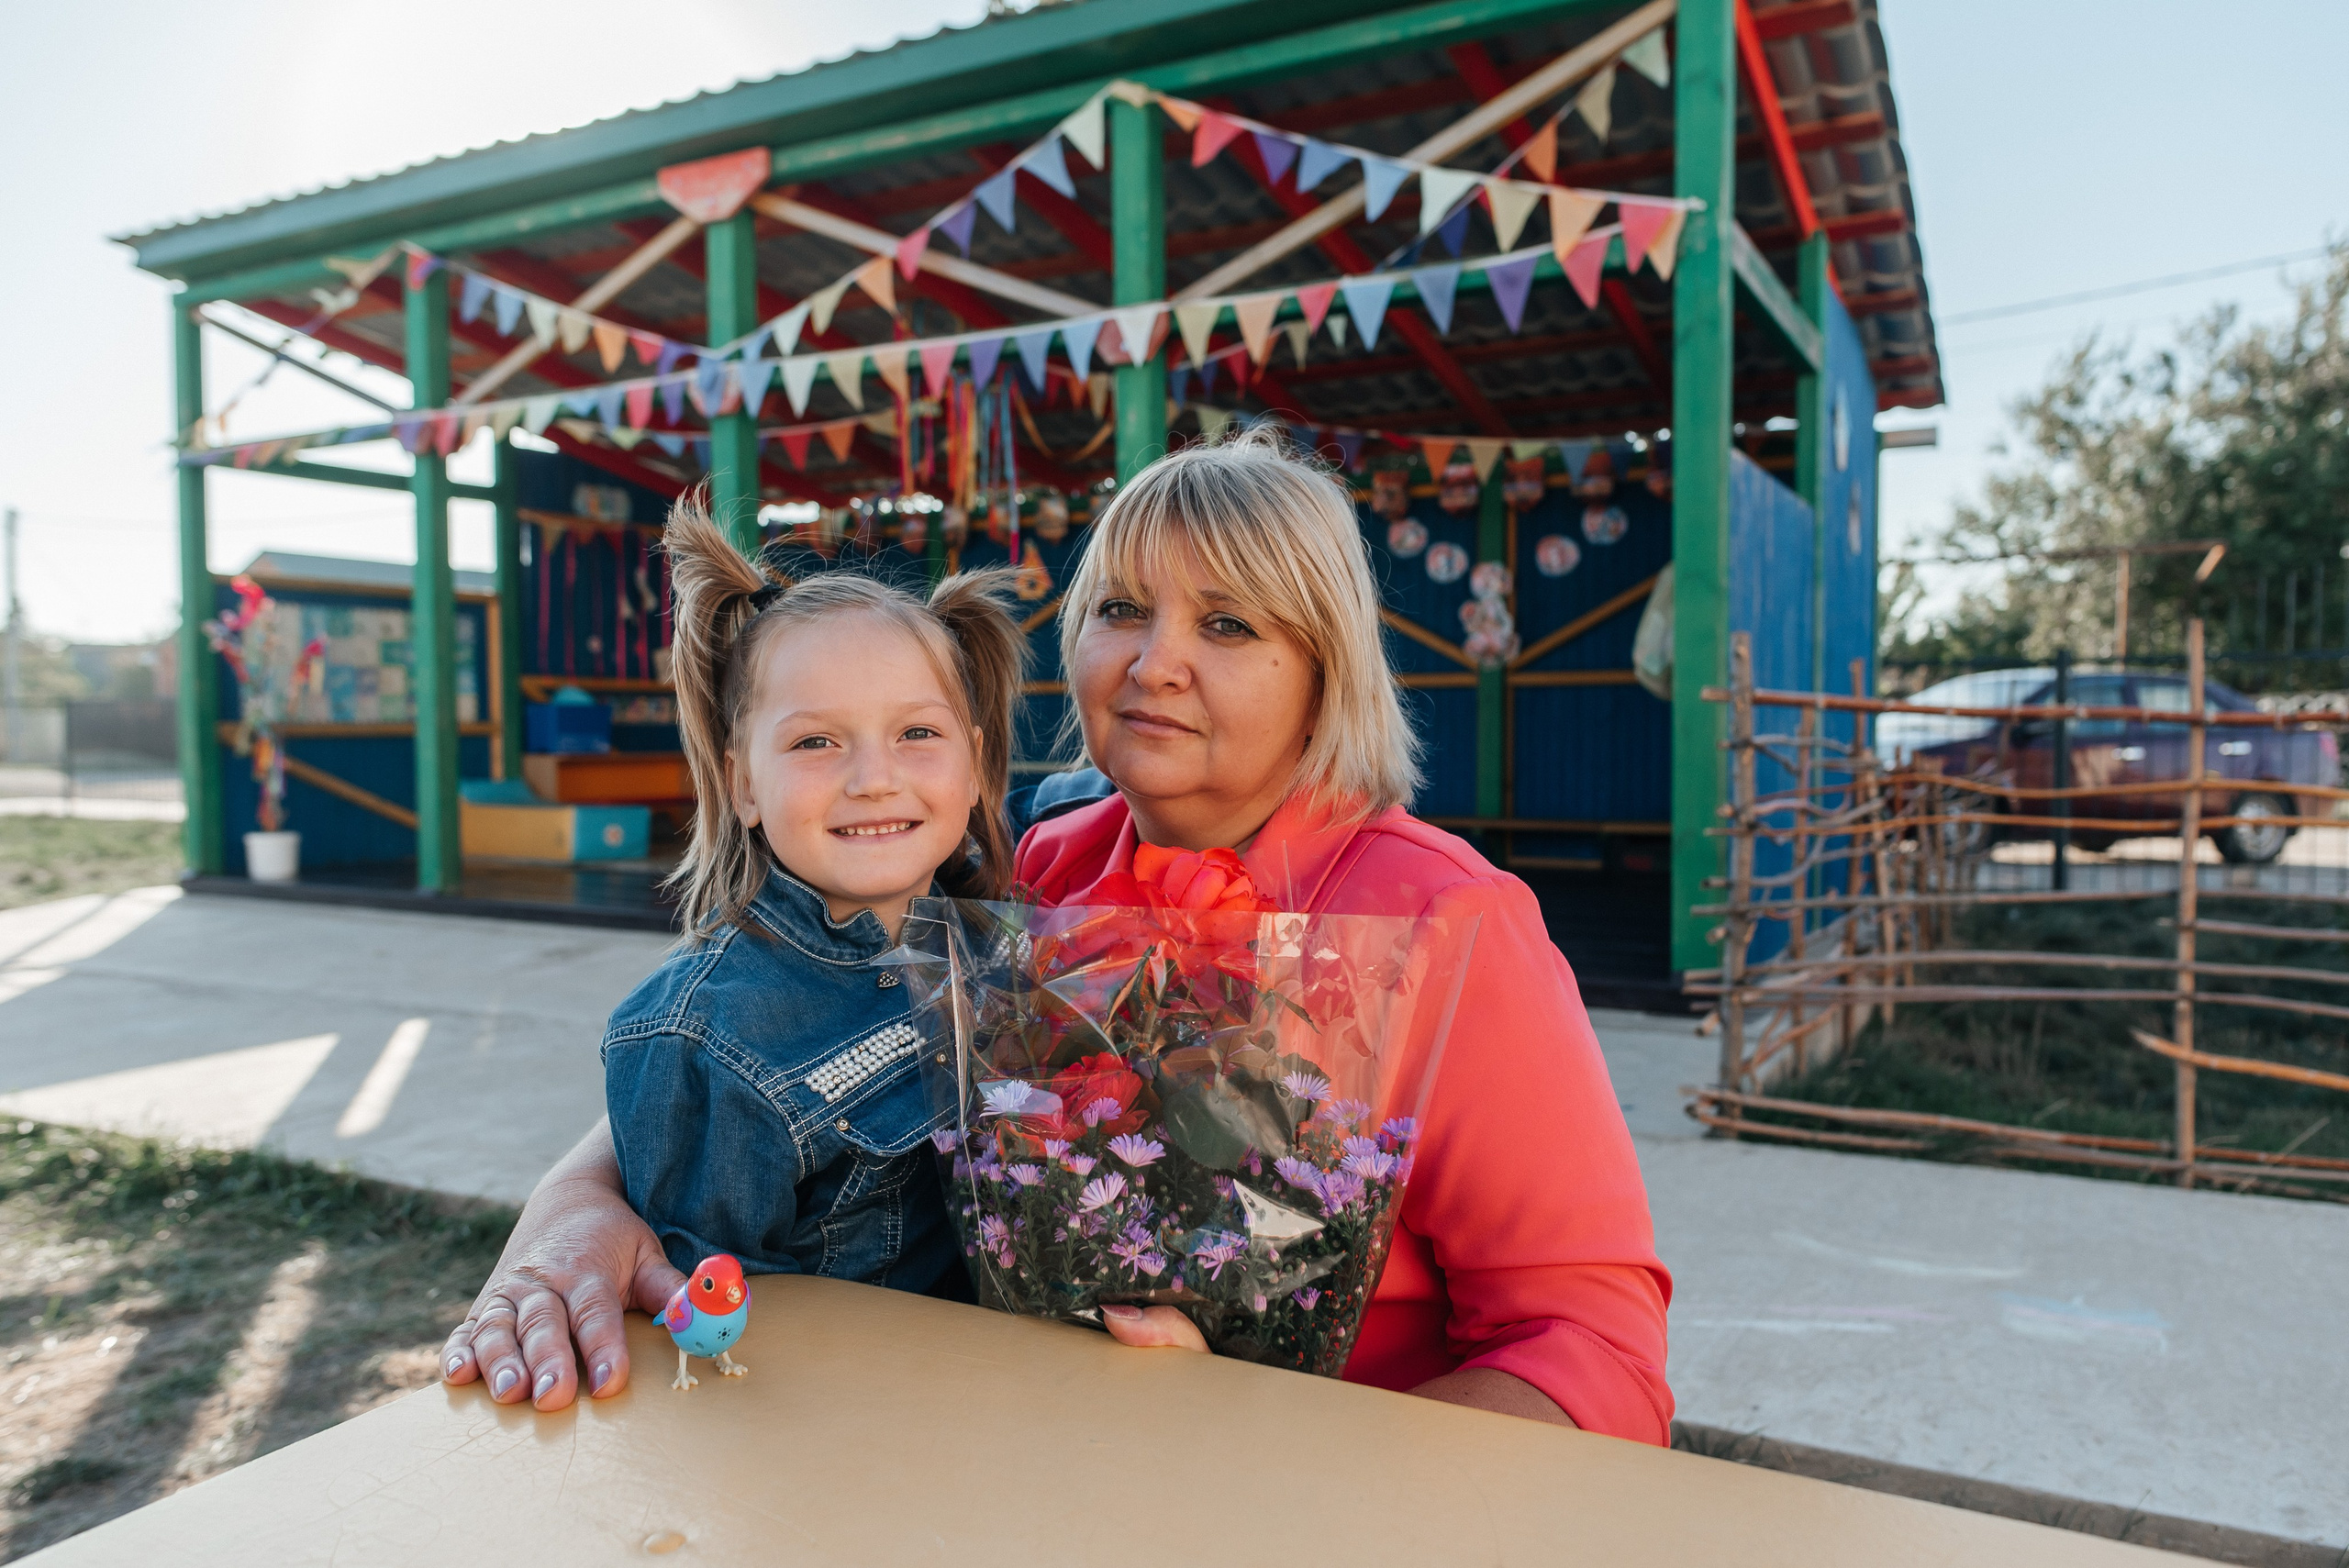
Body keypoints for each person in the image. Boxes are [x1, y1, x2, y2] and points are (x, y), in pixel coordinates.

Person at [445, 435, 1672, 1441]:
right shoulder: (1032, 860)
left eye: (1228, 624)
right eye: (1121, 609)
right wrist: (578, 1203)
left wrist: (1284, 1453)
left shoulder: (1449, 921)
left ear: (1323, 667)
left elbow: (1597, 1357)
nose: (1155, 662)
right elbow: (785, 1042)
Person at [529, 499, 1022, 1407]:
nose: (874, 776)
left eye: (917, 732)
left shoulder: (1004, 940)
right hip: (841, 1431)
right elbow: (712, 1343)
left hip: (1002, 1404)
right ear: (742, 784)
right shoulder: (702, 1038)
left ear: (977, 766)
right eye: (814, 740)